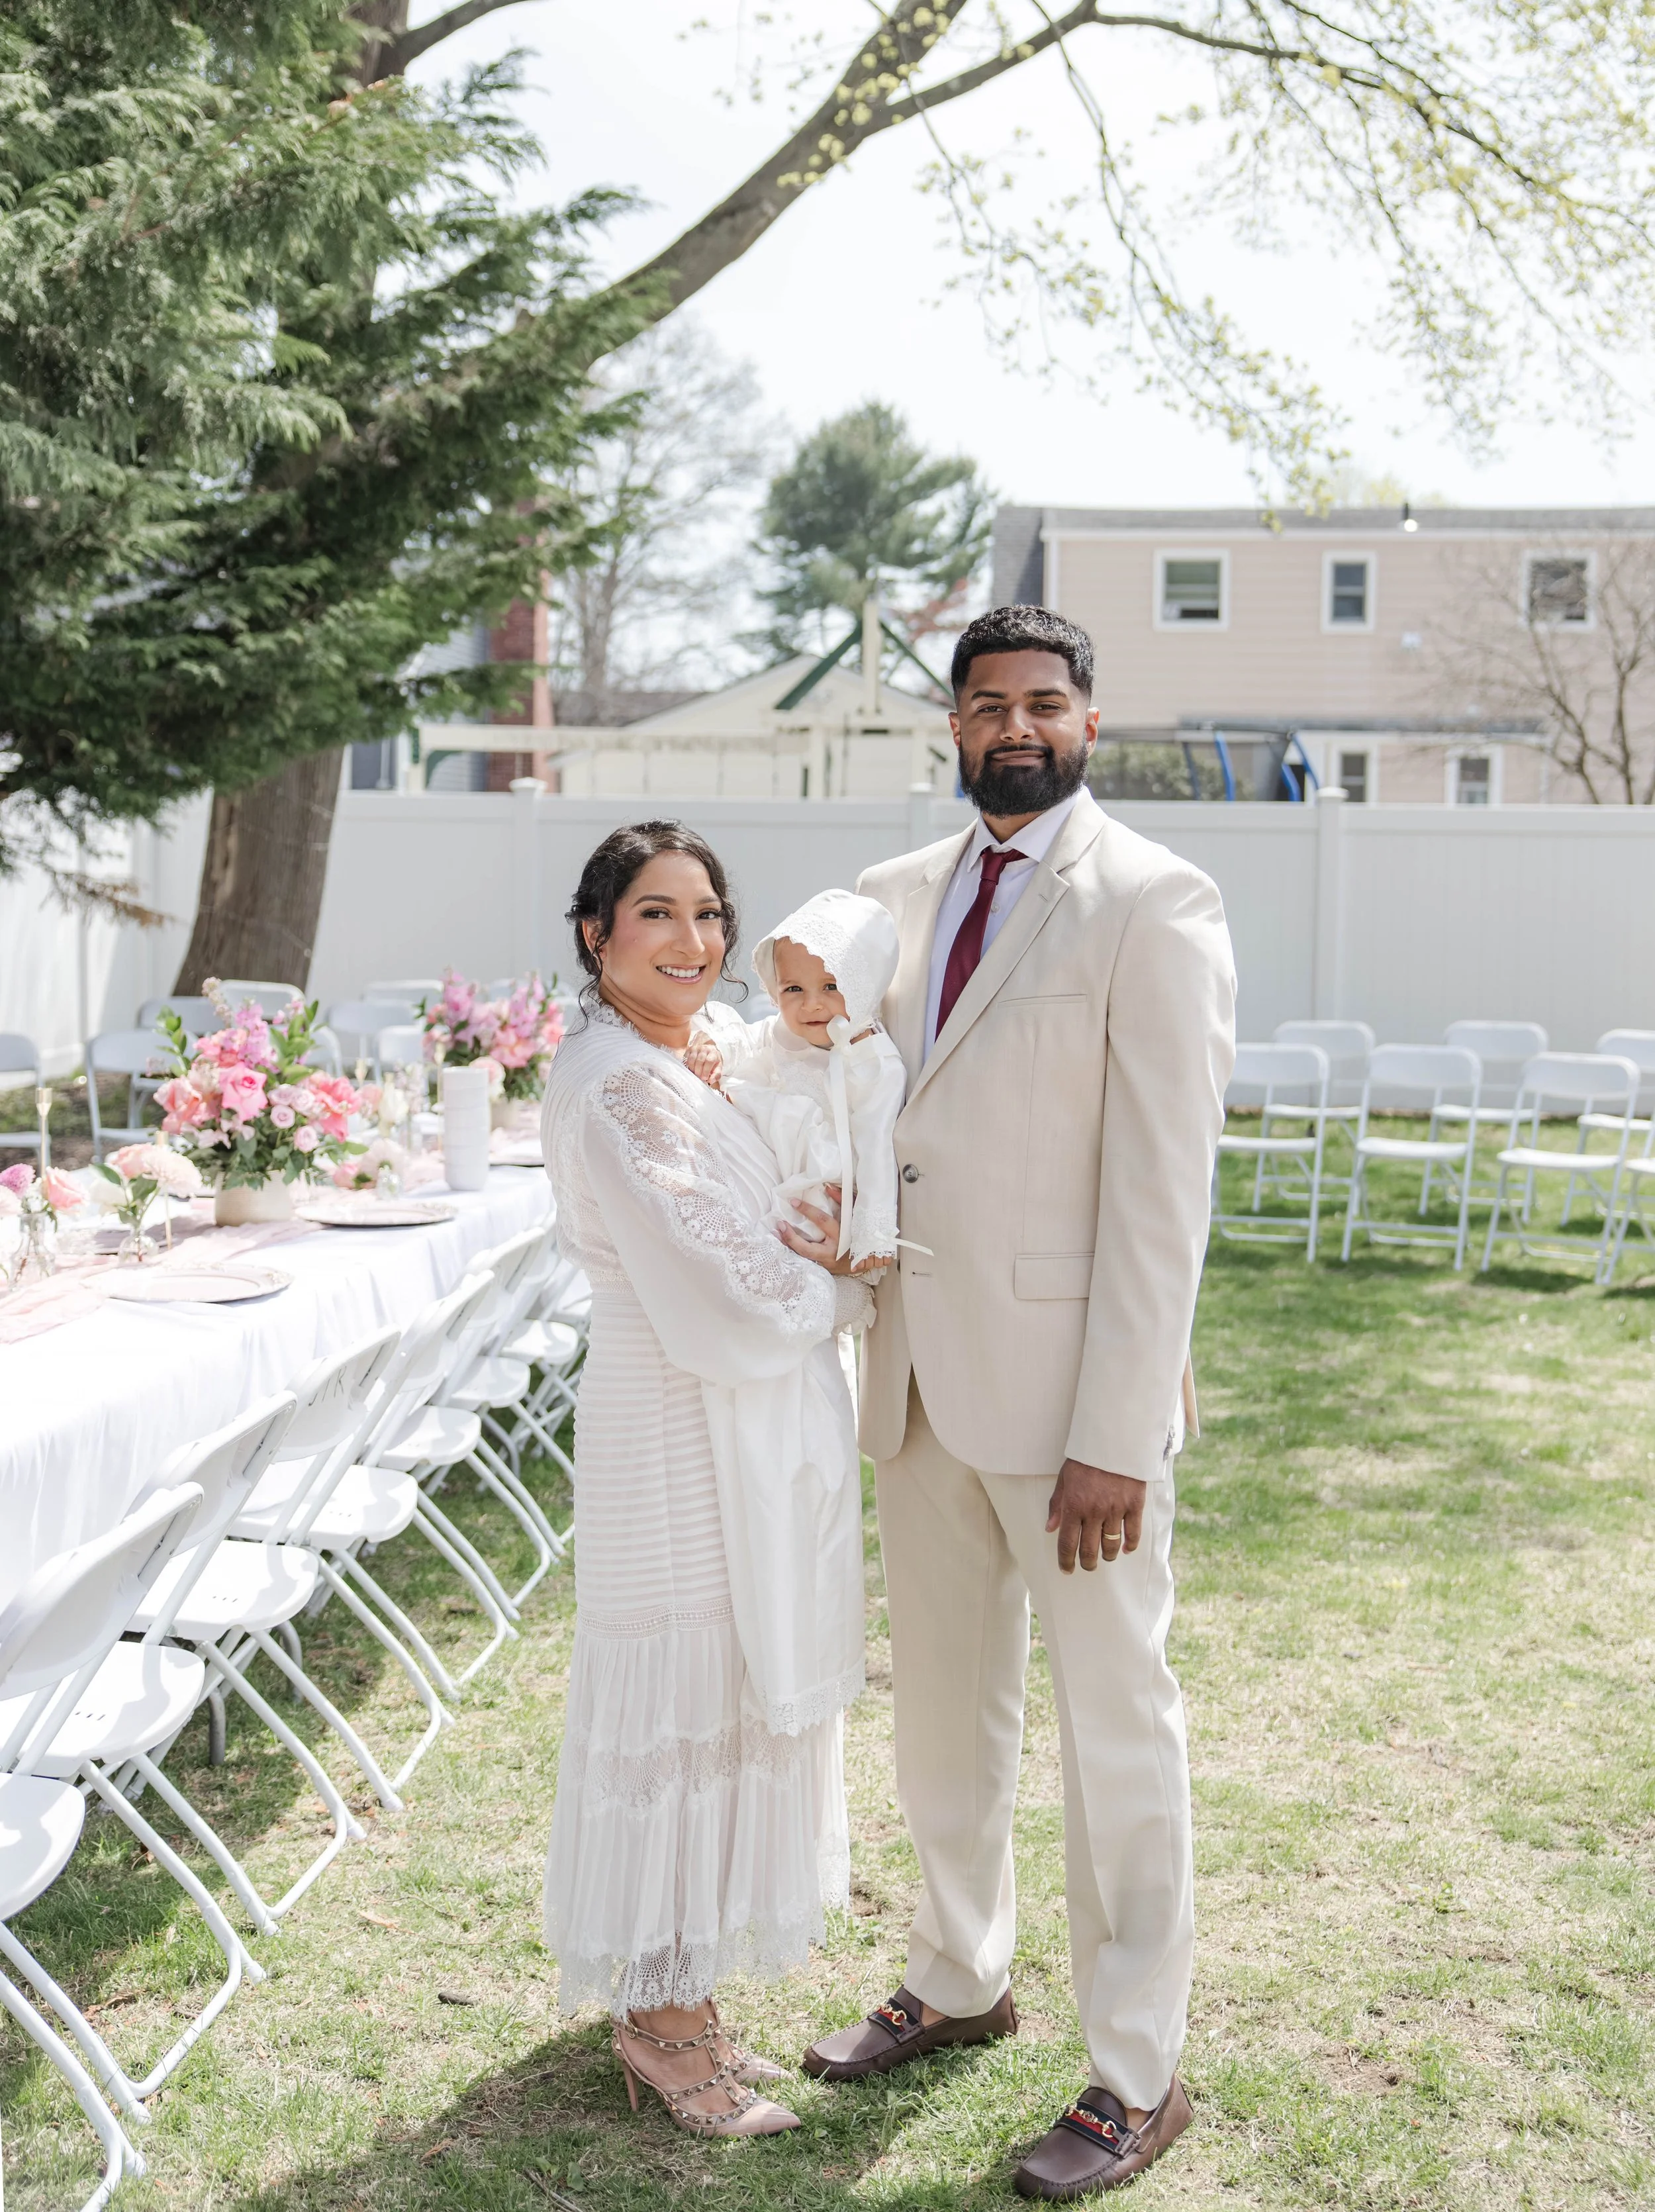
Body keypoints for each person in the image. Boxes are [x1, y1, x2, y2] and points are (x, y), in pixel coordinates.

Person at [800, 605, 1237, 2200]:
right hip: (913, 1377)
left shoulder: (1154, 903)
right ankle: (958, 1972)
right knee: (943, 1711)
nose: (1015, 727)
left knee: (1116, 1736)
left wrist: (1119, 1426)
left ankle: (1137, 2072)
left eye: (1044, 703)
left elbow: (1163, 1193)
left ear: (1089, 723)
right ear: (955, 722)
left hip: (1075, 1420)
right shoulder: (894, 903)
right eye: (987, 703)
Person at [540, 822, 878, 2139]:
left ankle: (681, 1992)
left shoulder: (705, 1054)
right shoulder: (619, 1085)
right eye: (654, 914)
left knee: (733, 1681)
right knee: (680, 1685)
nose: (691, 940)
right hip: (671, 1416)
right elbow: (719, 1278)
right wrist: (839, 1282)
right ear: (595, 936)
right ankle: (660, 2019)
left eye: (706, 914)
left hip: (740, 1407)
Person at [683, 887, 908, 1271]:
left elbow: (876, 1149)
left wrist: (875, 1237)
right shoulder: (787, 1031)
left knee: (789, 1244)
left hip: (825, 1187)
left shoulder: (872, 1061)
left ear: (863, 986)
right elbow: (751, 1037)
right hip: (774, 1167)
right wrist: (715, 1045)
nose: (812, 1004)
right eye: (793, 989)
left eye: (831, 987)